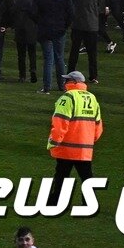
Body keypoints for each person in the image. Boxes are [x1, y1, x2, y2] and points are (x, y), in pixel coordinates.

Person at [45, 70, 102, 204]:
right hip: (85, 148)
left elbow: (60, 122)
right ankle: (89, 204)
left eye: (68, 80)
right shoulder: (92, 98)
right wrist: (90, 140)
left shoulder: (68, 97)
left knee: (61, 175)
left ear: (74, 82)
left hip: (67, 147)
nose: (65, 82)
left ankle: (54, 202)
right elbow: (98, 124)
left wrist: (54, 141)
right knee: (86, 176)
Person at [32, 0, 73, 94]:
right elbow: (71, 13)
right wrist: (65, 25)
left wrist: (39, 23)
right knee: (59, 57)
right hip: (59, 30)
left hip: (44, 30)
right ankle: (62, 85)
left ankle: (47, 87)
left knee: (48, 59)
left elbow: (33, 13)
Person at [67, 0, 107, 84]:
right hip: (92, 24)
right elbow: (101, 7)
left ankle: (70, 73)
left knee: (74, 51)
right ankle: (93, 76)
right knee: (92, 52)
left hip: (77, 23)